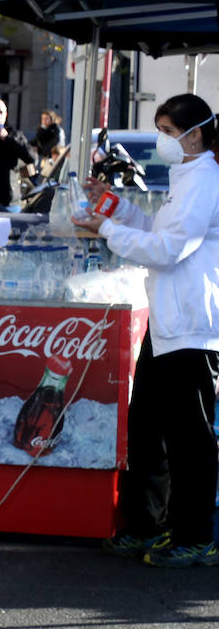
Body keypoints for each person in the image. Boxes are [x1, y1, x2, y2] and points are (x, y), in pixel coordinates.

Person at [75, 93, 219, 568]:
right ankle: (146, 525)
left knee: (189, 439)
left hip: (191, 327)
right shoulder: (187, 177)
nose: (162, 140)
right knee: (147, 428)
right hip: (169, 322)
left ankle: (195, 536)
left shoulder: (205, 180)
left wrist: (106, 229)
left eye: (167, 131)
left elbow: (168, 249)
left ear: (194, 135)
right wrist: (114, 209)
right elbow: (157, 229)